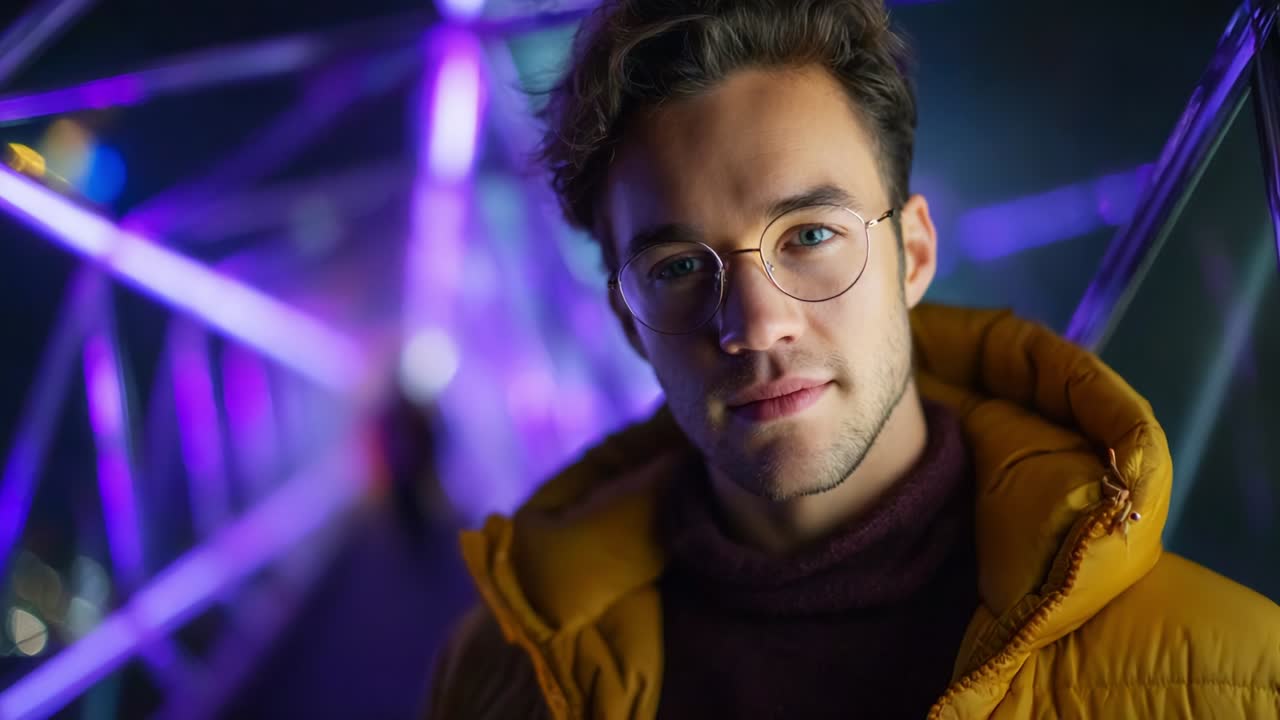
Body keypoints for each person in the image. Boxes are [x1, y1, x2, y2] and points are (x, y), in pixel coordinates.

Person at [426, 0, 1280, 717]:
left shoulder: (1224, 677)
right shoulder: (499, 677)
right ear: (627, 319)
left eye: (811, 235)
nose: (756, 325)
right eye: (680, 267)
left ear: (912, 254)